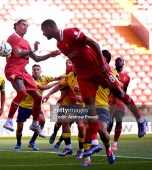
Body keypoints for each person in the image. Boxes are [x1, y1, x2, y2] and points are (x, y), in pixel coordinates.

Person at [41, 19, 147, 155]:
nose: (43, 34)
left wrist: (102, 64)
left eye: (43, 31)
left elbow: (94, 44)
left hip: (97, 68)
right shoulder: (59, 45)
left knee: (119, 93)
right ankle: (95, 143)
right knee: (90, 106)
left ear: (49, 28)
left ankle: (140, 119)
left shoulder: (71, 32)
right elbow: (77, 58)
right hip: (84, 76)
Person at [2, 19, 61, 137]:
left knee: (38, 97)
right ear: (17, 26)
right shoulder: (13, 37)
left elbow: (37, 59)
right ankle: (8, 121)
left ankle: (34, 124)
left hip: (23, 71)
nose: (25, 27)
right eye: (23, 25)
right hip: (13, 69)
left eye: (27, 26)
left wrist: (50, 55)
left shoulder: (26, 42)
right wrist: (33, 49)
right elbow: (18, 54)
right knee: (22, 92)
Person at [81, 51, 117, 166]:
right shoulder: (89, 70)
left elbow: (116, 95)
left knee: (102, 131)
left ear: (105, 59)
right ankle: (87, 159)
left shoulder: (112, 74)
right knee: (87, 129)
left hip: (102, 106)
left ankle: (108, 150)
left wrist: (111, 114)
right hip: (89, 106)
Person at [14, 64, 61, 151]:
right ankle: (18, 143)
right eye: (34, 70)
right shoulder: (28, 79)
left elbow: (57, 77)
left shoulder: (45, 78)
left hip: (36, 106)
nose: (36, 71)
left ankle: (32, 142)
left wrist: (62, 77)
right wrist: (57, 83)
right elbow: (42, 87)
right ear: (32, 71)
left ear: (40, 71)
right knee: (19, 128)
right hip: (24, 106)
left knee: (42, 121)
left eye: (37, 69)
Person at [43, 66, 85, 158]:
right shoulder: (70, 76)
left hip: (88, 104)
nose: (74, 67)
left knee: (81, 126)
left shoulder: (86, 76)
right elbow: (59, 86)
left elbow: (95, 90)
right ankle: (68, 148)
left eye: (75, 65)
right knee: (65, 120)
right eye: (73, 65)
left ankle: (81, 150)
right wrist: (48, 95)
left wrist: (83, 97)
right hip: (77, 104)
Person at [108, 57, 130, 150]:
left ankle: (115, 144)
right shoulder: (111, 73)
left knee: (119, 120)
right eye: (117, 60)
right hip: (110, 101)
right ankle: (107, 141)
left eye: (120, 60)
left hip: (120, 102)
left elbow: (125, 90)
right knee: (109, 122)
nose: (119, 61)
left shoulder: (127, 77)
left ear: (123, 63)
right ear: (115, 63)